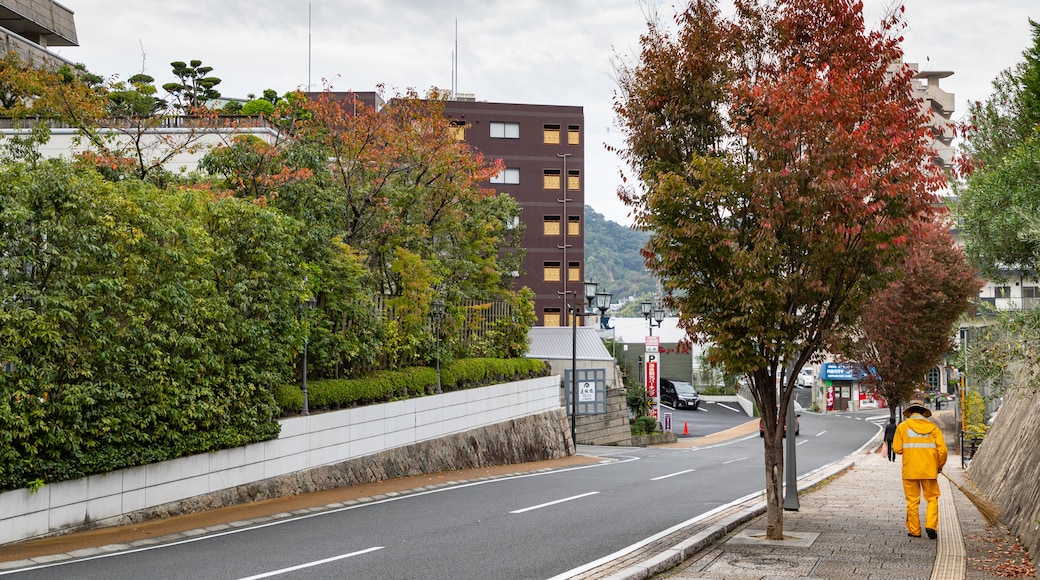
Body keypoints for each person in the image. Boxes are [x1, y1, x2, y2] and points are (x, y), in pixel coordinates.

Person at [892, 400, 948, 539]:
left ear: (910, 413)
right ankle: (930, 525)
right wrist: (939, 466)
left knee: (912, 501)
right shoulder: (934, 428)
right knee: (932, 498)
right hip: (929, 471)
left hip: (910, 470)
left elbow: (897, 449)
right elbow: (943, 451)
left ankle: (915, 530)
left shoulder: (902, 427)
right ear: (924, 413)